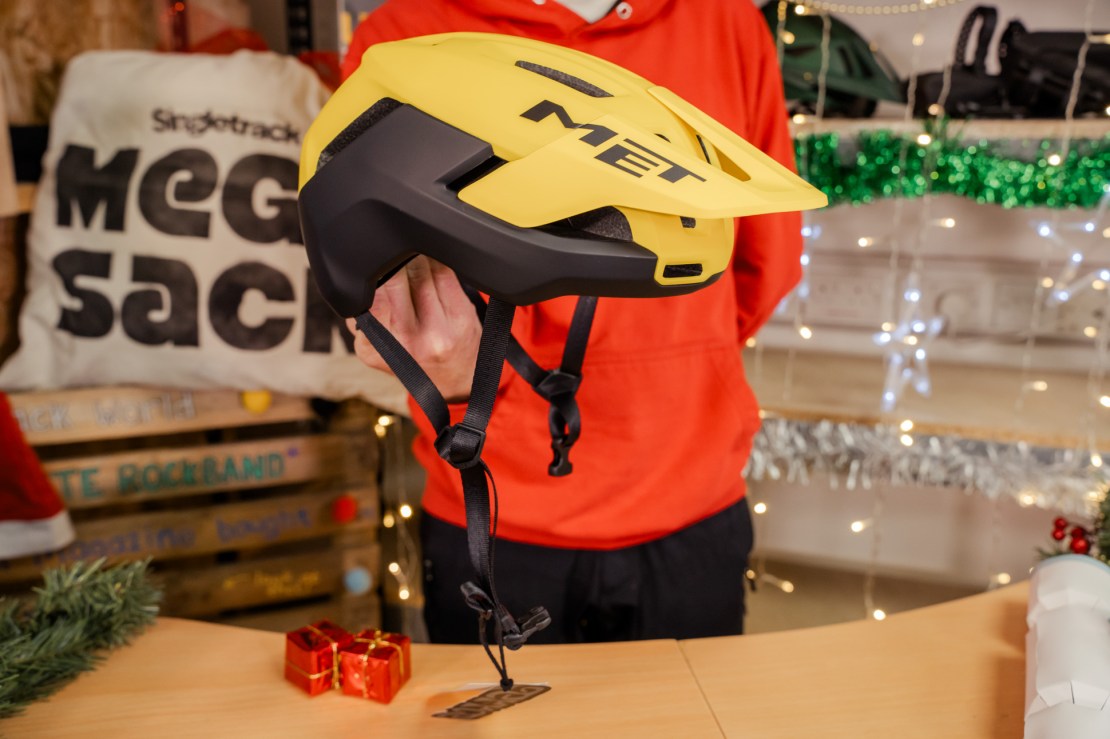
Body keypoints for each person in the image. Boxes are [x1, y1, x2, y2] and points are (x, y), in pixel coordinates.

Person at [341, 0, 803, 644]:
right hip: (510, 510)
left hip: (610, 500)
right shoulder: (726, 19)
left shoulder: (399, 34)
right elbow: (764, 259)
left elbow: (381, 277)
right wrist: (681, 351)